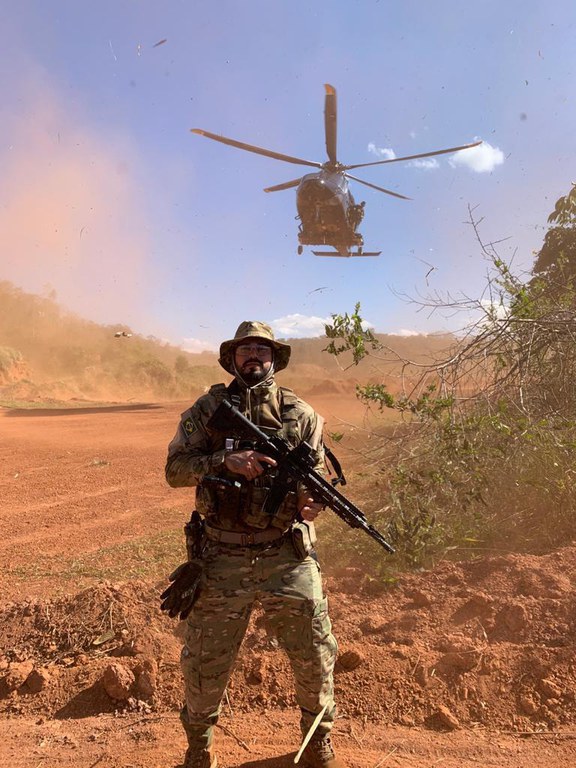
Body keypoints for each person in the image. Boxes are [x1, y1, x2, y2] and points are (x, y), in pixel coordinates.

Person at [165, 321, 343, 768]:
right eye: (246, 350)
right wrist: (224, 459)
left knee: (315, 651)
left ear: (273, 359)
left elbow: (317, 482)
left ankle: (317, 740)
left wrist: (311, 501)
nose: (254, 357)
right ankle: (198, 747)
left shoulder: (301, 415)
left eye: (262, 350)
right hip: (220, 555)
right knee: (204, 661)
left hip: (285, 553)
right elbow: (174, 470)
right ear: (232, 358)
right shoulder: (207, 411)